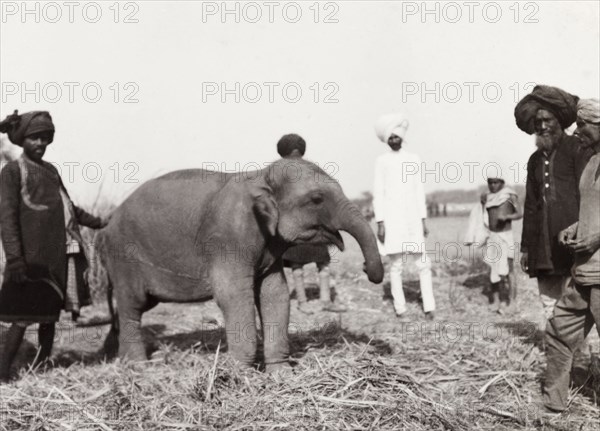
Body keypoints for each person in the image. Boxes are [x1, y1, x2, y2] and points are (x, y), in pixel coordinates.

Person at [0, 110, 108, 382]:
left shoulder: (51, 171)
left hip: (56, 255)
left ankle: (41, 365)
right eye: (35, 138)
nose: (40, 144)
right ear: (22, 139)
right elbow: (7, 218)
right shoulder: (13, 171)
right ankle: (2, 372)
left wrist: (100, 222)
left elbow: (69, 207)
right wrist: (15, 259)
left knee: (49, 316)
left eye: (45, 138)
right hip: (30, 258)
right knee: (22, 317)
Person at [514, 85, 593, 320]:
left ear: (559, 120)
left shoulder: (577, 149)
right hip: (543, 242)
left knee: (579, 302)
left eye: (547, 120)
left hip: (573, 239)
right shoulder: (534, 160)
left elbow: (588, 195)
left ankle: (581, 352)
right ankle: (556, 348)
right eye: (537, 122)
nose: (542, 126)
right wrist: (527, 247)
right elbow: (531, 205)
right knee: (548, 301)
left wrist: (586, 232)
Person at [542, 98, 600, 412]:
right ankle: (553, 406)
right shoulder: (592, 161)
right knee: (557, 333)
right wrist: (577, 228)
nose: (577, 131)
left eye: (583, 125)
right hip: (583, 273)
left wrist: (597, 238)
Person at [373, 113, 435, 320]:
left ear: (402, 137)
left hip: (412, 218)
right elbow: (378, 193)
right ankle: (400, 308)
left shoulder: (413, 159)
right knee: (396, 265)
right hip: (392, 219)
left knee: (423, 263)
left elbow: (419, 190)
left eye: (396, 137)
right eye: (390, 138)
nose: (393, 141)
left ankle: (429, 307)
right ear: (386, 140)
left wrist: (423, 219)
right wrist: (380, 222)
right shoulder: (382, 161)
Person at [277, 134, 347, 314]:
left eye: (297, 154)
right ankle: (303, 302)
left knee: (321, 263)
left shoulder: (308, 171)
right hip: (298, 227)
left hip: (311, 226)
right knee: (298, 266)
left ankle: (323, 301)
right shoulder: (282, 174)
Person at [465, 177, 522, 313]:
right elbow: (481, 214)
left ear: (502, 182)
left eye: (496, 182)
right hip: (492, 236)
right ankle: (496, 300)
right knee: (493, 270)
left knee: (509, 270)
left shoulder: (509, 194)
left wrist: (507, 217)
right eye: (490, 182)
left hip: (505, 236)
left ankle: (512, 303)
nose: (493, 185)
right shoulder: (486, 196)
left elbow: (519, 213)